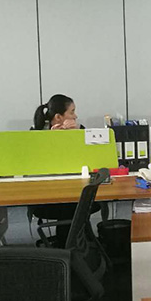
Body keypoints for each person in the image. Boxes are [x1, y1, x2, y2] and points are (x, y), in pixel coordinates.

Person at [29, 94, 106, 248]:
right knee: (72, 208)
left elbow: (92, 158)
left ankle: (77, 246)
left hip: (76, 190)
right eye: (72, 112)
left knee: (79, 204)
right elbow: (33, 163)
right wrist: (50, 139)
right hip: (46, 196)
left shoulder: (79, 131)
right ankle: (71, 248)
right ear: (58, 117)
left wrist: (76, 135)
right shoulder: (35, 134)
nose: (75, 116)